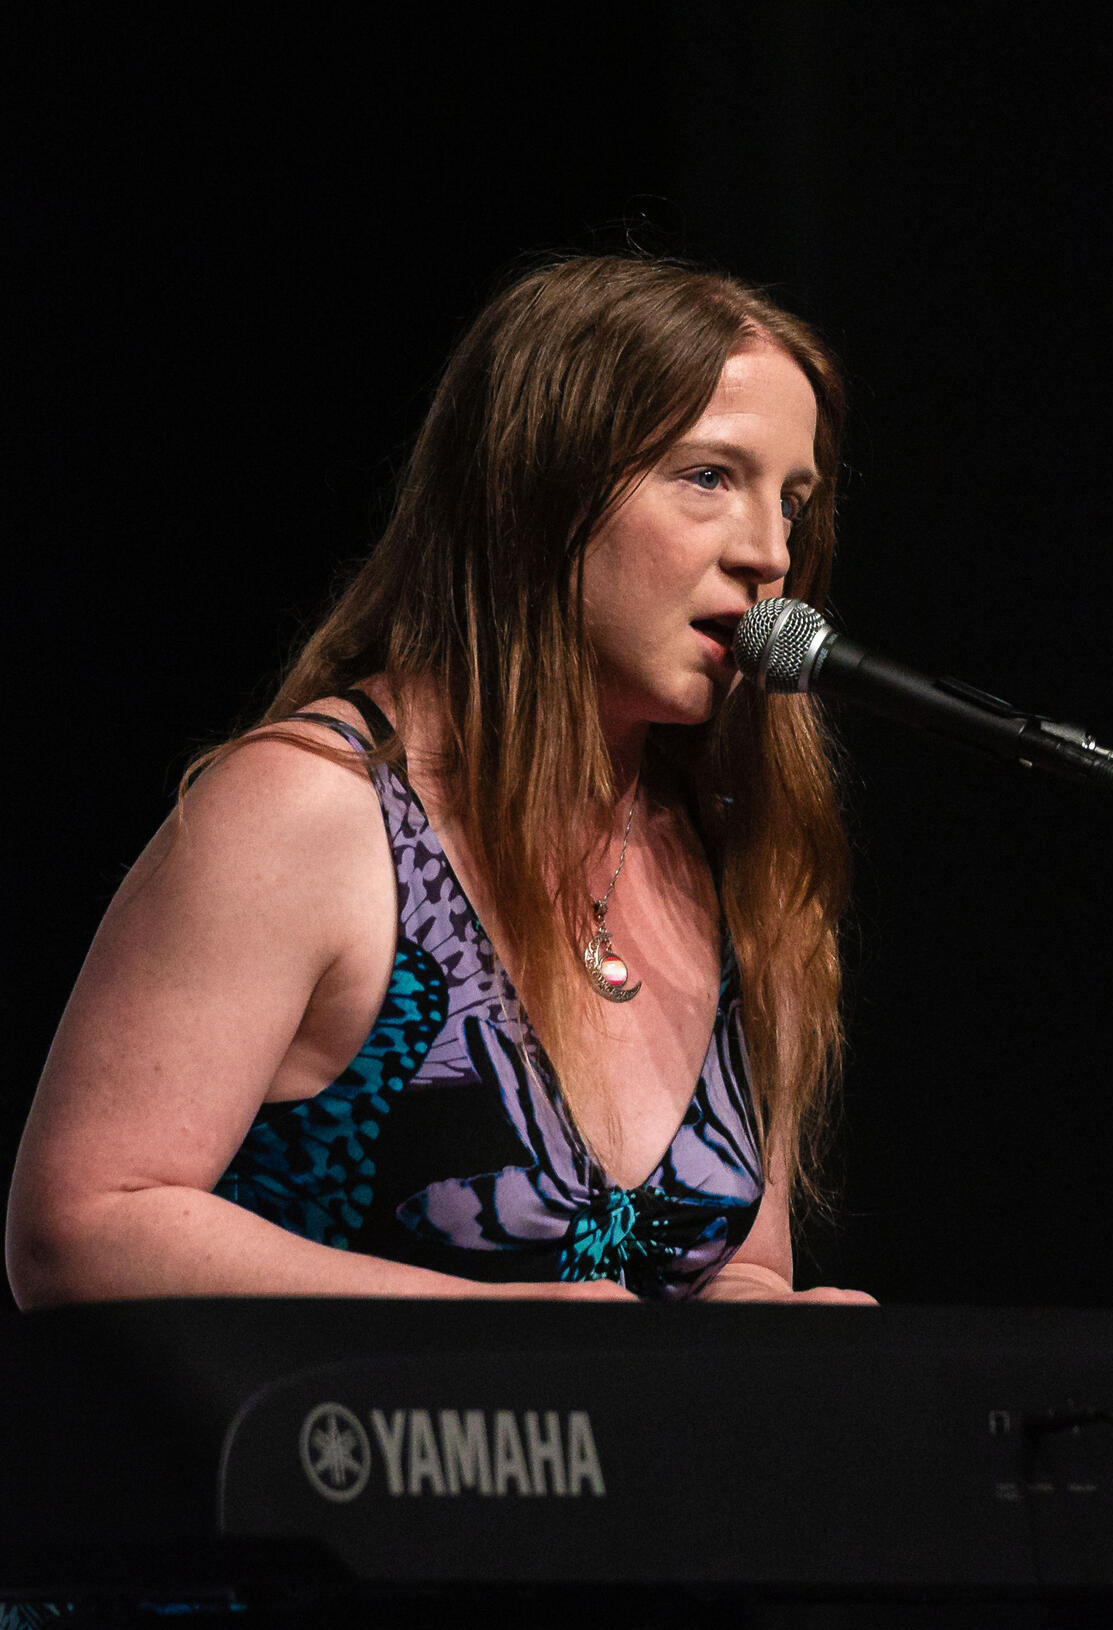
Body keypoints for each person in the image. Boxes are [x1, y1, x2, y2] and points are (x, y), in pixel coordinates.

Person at [6, 256, 873, 1308]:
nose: (770, 554)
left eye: (792, 502)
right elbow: (83, 1225)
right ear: (536, 491)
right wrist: (500, 1330)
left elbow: (733, 1264)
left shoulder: (742, 856)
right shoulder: (316, 806)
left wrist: (772, 1324)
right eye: (707, 477)